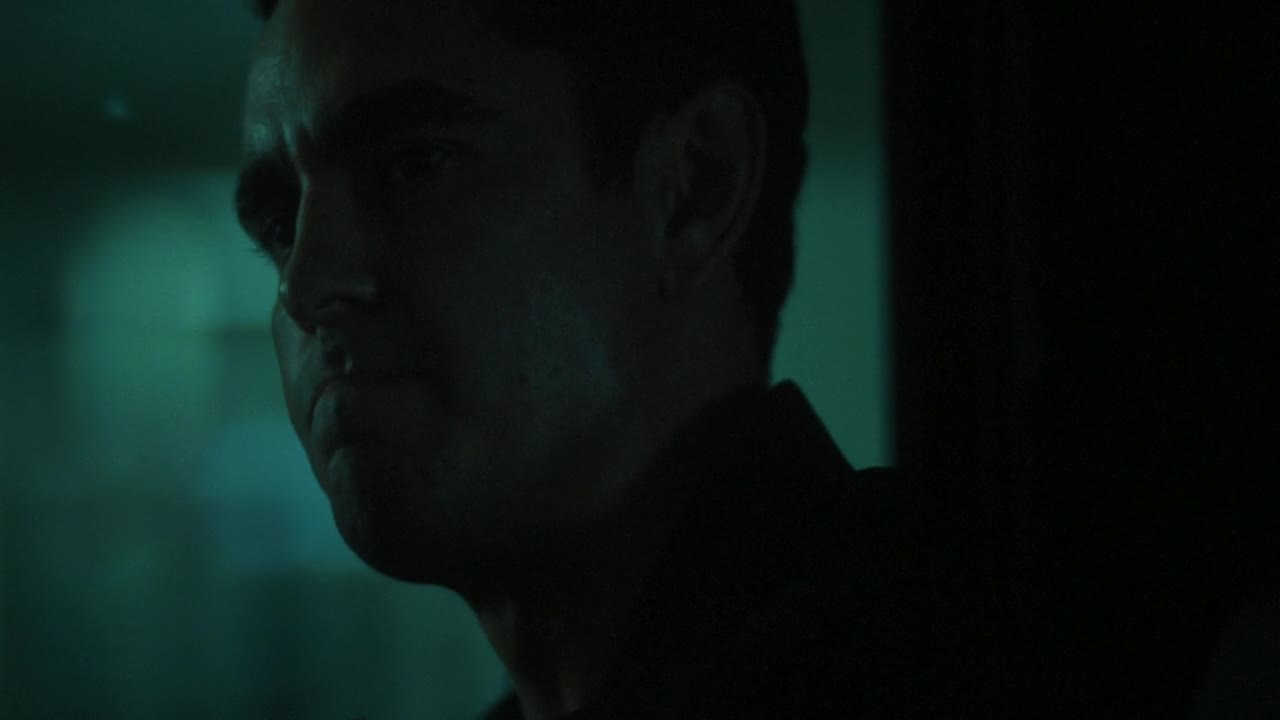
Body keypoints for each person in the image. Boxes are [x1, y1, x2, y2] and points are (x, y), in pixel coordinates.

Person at [233, 2, 1038, 717]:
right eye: (279, 226)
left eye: (415, 166)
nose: (305, 287)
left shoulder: (947, 673)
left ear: (692, 189)